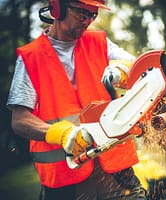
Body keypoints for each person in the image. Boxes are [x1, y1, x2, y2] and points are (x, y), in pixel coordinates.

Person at [6, 0, 148, 199]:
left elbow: (142, 68)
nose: (88, 20)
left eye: (93, 15)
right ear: (57, 8)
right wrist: (61, 134)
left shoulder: (99, 42)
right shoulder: (31, 57)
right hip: (65, 179)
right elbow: (19, 120)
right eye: (82, 12)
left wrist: (122, 69)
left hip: (115, 170)